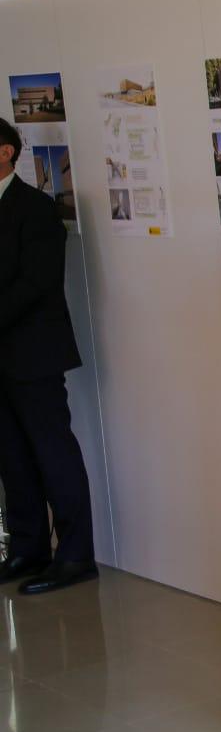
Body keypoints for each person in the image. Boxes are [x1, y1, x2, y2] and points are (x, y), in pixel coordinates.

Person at [0, 117, 98, 595]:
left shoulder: (35, 208)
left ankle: (75, 556)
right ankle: (28, 549)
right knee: (11, 456)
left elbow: (37, 283)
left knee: (52, 453)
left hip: (33, 353)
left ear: (5, 152)